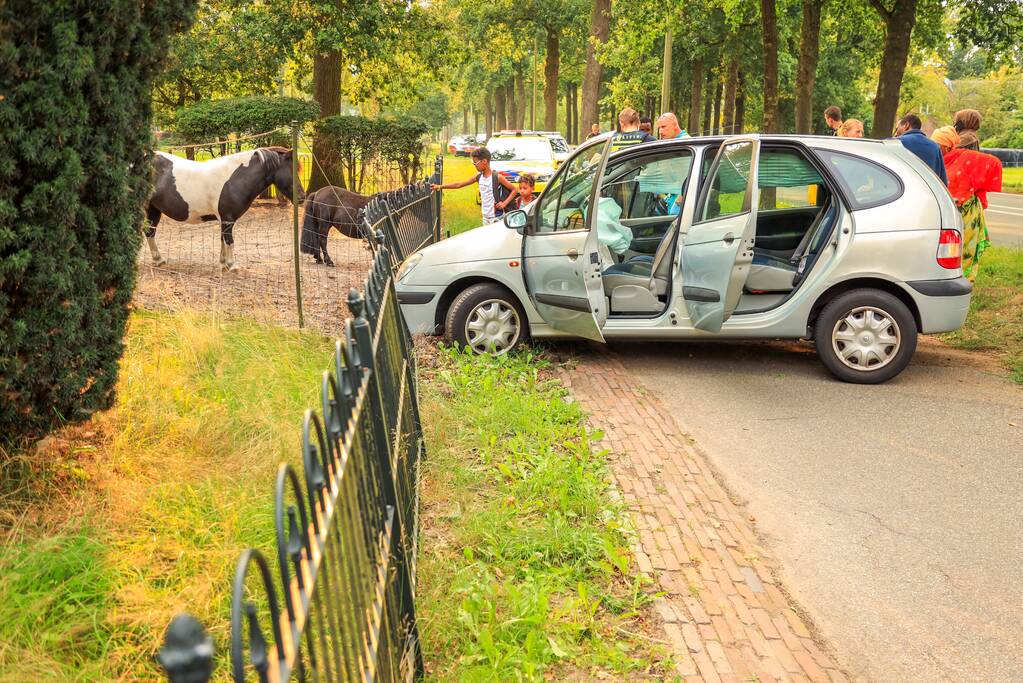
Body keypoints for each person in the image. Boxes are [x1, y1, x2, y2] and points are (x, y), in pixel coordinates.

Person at [931, 125, 1003, 281]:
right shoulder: (940, 160)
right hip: (950, 211)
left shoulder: (964, 157)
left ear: (946, 145)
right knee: (949, 251)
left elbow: (993, 162)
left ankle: (966, 282)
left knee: (966, 250)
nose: (934, 147)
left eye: (937, 144)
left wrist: (976, 186)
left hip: (968, 212)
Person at [430, 147, 518, 223]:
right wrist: (440, 186)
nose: (474, 165)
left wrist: (504, 203)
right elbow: (459, 184)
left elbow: (514, 190)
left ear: (484, 161)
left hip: (497, 217)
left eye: (475, 163)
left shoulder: (498, 177)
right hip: (485, 217)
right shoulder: (478, 177)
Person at [894, 113, 947, 184]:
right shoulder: (935, 147)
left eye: (897, 129)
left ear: (906, 125)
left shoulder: (895, 143)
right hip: (926, 192)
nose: (896, 134)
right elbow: (942, 181)